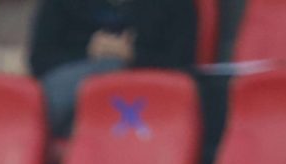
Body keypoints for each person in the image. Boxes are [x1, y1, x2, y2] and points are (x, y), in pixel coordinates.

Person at [25, 0, 198, 135]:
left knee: (112, 65)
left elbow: (181, 66)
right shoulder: (61, 4)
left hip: (148, 99)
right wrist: (89, 52)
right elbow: (40, 61)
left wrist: (132, 56)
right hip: (75, 103)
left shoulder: (174, 4)